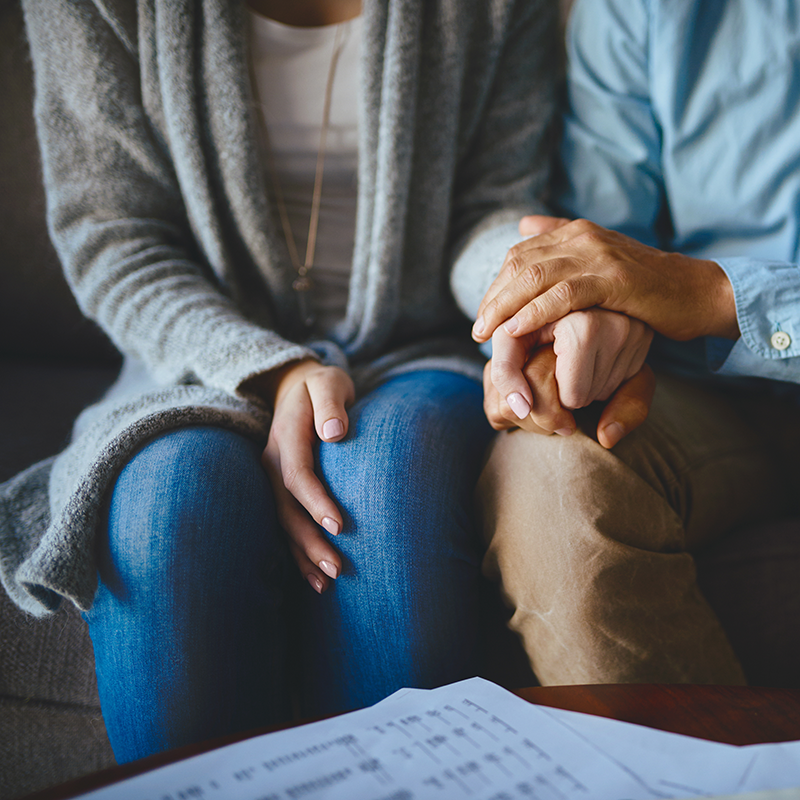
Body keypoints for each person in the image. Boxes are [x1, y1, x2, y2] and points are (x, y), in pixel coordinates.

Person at [0, 0, 568, 763]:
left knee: (389, 478)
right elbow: (113, 237)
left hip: (418, 344)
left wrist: (527, 285)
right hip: (199, 354)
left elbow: (492, 208)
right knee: (171, 501)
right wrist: (272, 368)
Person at [465, 0, 800, 685]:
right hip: (711, 396)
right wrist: (584, 334)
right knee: (556, 478)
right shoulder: (635, 9)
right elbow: (604, 245)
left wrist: (711, 295)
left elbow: (656, 278)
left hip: (715, 354)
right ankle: (685, 759)